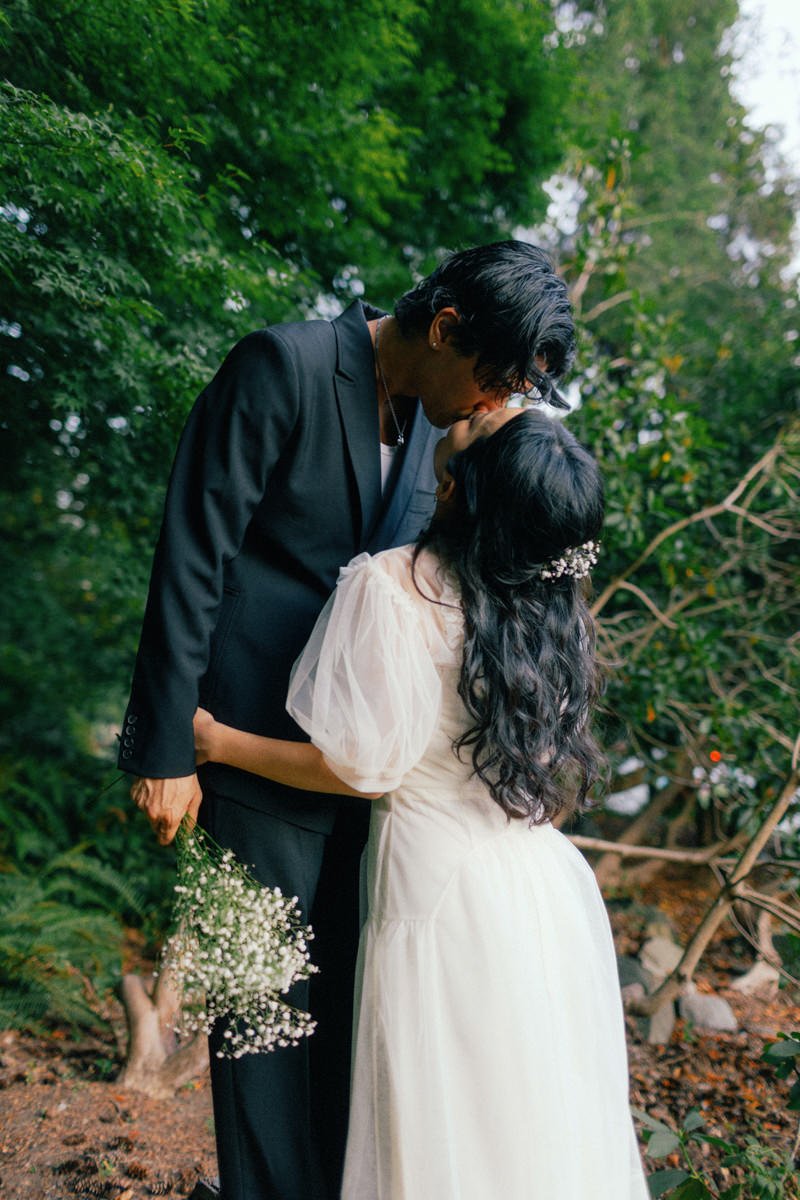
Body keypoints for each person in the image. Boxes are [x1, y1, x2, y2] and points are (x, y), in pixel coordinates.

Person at [118, 241, 577, 1200]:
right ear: (445, 328)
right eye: (493, 376)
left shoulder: (439, 434)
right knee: (264, 1023)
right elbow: (193, 554)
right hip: (244, 751)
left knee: (353, 1034)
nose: (495, 403)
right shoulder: (280, 366)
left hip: (371, 786)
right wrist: (165, 744)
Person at [192, 407, 650, 1199]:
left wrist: (217, 741)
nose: (482, 410)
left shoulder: (394, 586)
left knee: (441, 1125)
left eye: (492, 429)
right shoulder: (546, 611)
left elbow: (362, 768)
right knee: (522, 1127)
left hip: (436, 892)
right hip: (537, 887)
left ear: (468, 490)